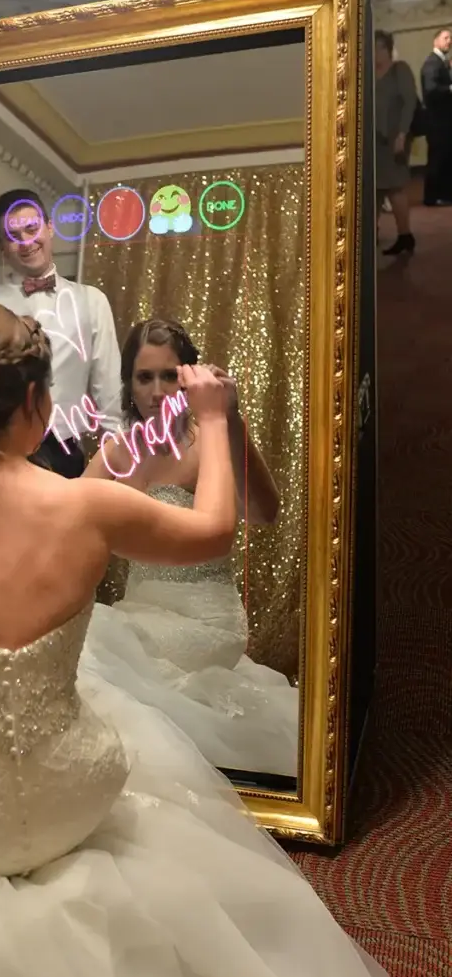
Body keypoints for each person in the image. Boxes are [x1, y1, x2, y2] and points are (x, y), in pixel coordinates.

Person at [0, 303, 397, 977]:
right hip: (70, 793)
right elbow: (217, 530)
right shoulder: (85, 508)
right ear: (36, 403)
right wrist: (217, 419)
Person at [83, 318, 299, 777]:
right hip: (139, 612)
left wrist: (230, 420)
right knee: (85, 642)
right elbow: (68, 520)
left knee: (101, 651)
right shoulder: (116, 453)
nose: (157, 391)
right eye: (144, 377)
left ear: (189, 377)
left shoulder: (212, 445)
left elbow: (264, 513)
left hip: (207, 619)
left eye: (169, 375)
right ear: (129, 384)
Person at [0, 187, 122, 477]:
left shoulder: (92, 301)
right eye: (13, 236)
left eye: (32, 228)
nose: (26, 242)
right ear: (1, 246)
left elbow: (108, 388)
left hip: (66, 452)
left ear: (49, 228)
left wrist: (113, 458)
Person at [374, 30, 418, 254]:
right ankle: (371, 233)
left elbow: (410, 102)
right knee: (373, 189)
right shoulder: (366, 74)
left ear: (387, 49)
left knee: (395, 186)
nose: (375, 53)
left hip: (395, 139)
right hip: (373, 141)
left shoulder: (399, 70)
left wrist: (402, 134)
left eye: (379, 48)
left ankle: (405, 235)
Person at [421, 28, 452, 207]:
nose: (449, 41)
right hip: (437, 122)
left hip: (442, 121)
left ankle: (442, 195)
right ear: (436, 41)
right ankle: (432, 197)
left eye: (450, 38)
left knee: (444, 158)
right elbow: (431, 90)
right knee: (437, 159)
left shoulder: (440, 62)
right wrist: (450, 89)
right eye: (446, 38)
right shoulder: (432, 63)